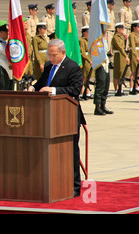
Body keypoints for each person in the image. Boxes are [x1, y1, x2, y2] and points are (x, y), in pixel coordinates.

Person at [28, 39, 85, 197]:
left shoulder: (73, 67)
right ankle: (53, 183)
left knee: (71, 152)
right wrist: (33, 87)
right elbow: (42, 83)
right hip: (49, 116)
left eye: (54, 55)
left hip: (68, 116)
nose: (51, 58)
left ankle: (74, 186)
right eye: (49, 55)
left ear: (63, 53)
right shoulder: (48, 66)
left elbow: (75, 89)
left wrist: (52, 90)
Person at [93, 29, 113, 116]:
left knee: (106, 85)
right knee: (100, 85)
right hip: (100, 64)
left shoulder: (105, 40)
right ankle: (97, 107)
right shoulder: (97, 41)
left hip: (106, 63)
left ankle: (103, 105)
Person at [111, 23, 130, 96]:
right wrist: (126, 56)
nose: (123, 30)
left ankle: (120, 89)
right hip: (118, 55)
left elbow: (124, 47)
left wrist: (125, 40)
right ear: (117, 29)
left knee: (122, 72)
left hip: (122, 55)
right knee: (117, 73)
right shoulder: (115, 37)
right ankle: (116, 90)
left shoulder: (121, 37)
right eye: (121, 28)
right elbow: (120, 47)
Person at [0, 21, 13, 90]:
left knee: (10, 88)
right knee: (3, 89)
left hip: (8, 69)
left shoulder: (5, 43)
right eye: (5, 32)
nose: (7, 33)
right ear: (0, 33)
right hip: (2, 69)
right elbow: (7, 52)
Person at [128, 21, 139, 95]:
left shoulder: (138, 35)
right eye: (137, 27)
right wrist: (136, 56)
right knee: (134, 71)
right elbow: (133, 46)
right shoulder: (132, 35)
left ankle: (137, 86)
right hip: (134, 54)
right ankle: (131, 87)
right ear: (134, 27)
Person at [79, 26, 92, 100]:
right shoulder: (82, 40)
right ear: (84, 33)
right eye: (87, 32)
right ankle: (82, 92)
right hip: (85, 60)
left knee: (88, 77)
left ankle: (87, 92)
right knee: (84, 77)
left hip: (90, 59)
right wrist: (89, 60)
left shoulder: (88, 40)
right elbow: (82, 52)